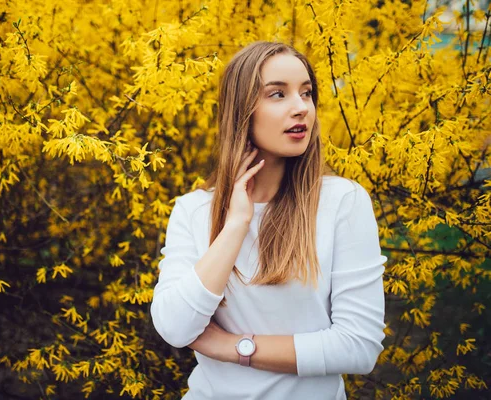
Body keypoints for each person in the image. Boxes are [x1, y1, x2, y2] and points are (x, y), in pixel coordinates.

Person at [150, 41, 387, 400]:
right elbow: (175, 328)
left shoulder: (342, 202)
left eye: (306, 94)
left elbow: (358, 346)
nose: (301, 108)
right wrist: (235, 225)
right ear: (241, 110)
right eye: (278, 94)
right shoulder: (194, 210)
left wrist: (235, 347)